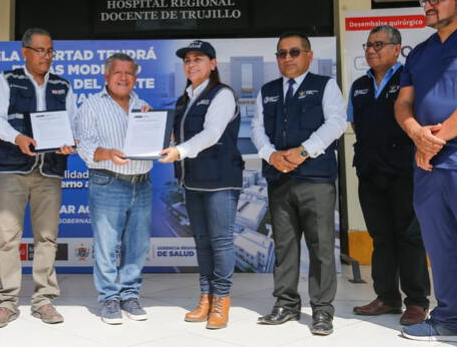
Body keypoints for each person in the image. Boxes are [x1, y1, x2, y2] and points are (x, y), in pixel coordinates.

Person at [251, 32, 346, 336]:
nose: (287, 58)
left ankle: (321, 310)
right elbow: (256, 129)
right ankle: (286, 304)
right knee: (284, 246)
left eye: (294, 52)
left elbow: (336, 123)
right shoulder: (267, 91)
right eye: (281, 53)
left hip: (316, 180)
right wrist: (271, 155)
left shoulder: (325, 85)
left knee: (320, 248)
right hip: (279, 179)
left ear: (308, 55)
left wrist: (304, 150)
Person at [0, 27, 77, 327]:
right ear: (24, 52)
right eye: (40, 50)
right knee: (7, 238)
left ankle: (44, 299)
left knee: (47, 238)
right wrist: (17, 138)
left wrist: (69, 142)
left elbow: (73, 123)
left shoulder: (63, 86)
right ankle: (7, 301)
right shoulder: (8, 79)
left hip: (49, 171)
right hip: (12, 169)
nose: (46, 56)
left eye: (50, 51)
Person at [348, 26, 430, 325]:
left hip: (404, 171)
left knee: (409, 236)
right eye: (368, 45)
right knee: (380, 237)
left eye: (378, 45)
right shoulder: (359, 85)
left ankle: (417, 302)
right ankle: (386, 297)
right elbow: (356, 125)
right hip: (369, 171)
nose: (371, 50)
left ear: (397, 49)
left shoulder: (410, 80)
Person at [159, 40, 243, 329]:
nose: (191, 64)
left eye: (198, 59)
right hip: (193, 180)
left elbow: (212, 133)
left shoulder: (222, 94)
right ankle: (205, 296)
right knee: (203, 242)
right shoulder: (184, 99)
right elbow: (176, 136)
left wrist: (179, 151)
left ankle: (221, 299)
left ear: (213, 64)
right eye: (187, 60)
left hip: (220, 180)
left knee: (220, 241)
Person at [395, 0, 457, 342]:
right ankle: (449, 319)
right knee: (440, 245)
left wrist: (437, 138)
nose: (428, 5)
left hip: (440, 154)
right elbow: (404, 103)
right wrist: (418, 134)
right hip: (428, 165)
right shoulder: (420, 51)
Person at [77, 53, 152, 325]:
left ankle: (130, 295)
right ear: (106, 77)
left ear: (135, 78)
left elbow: (157, 142)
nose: (123, 77)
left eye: (129, 73)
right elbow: (84, 146)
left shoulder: (143, 106)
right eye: (117, 72)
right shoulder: (92, 105)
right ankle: (109, 298)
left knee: (138, 244)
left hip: (141, 182)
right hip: (107, 181)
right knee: (107, 245)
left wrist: (161, 131)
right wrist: (107, 153)